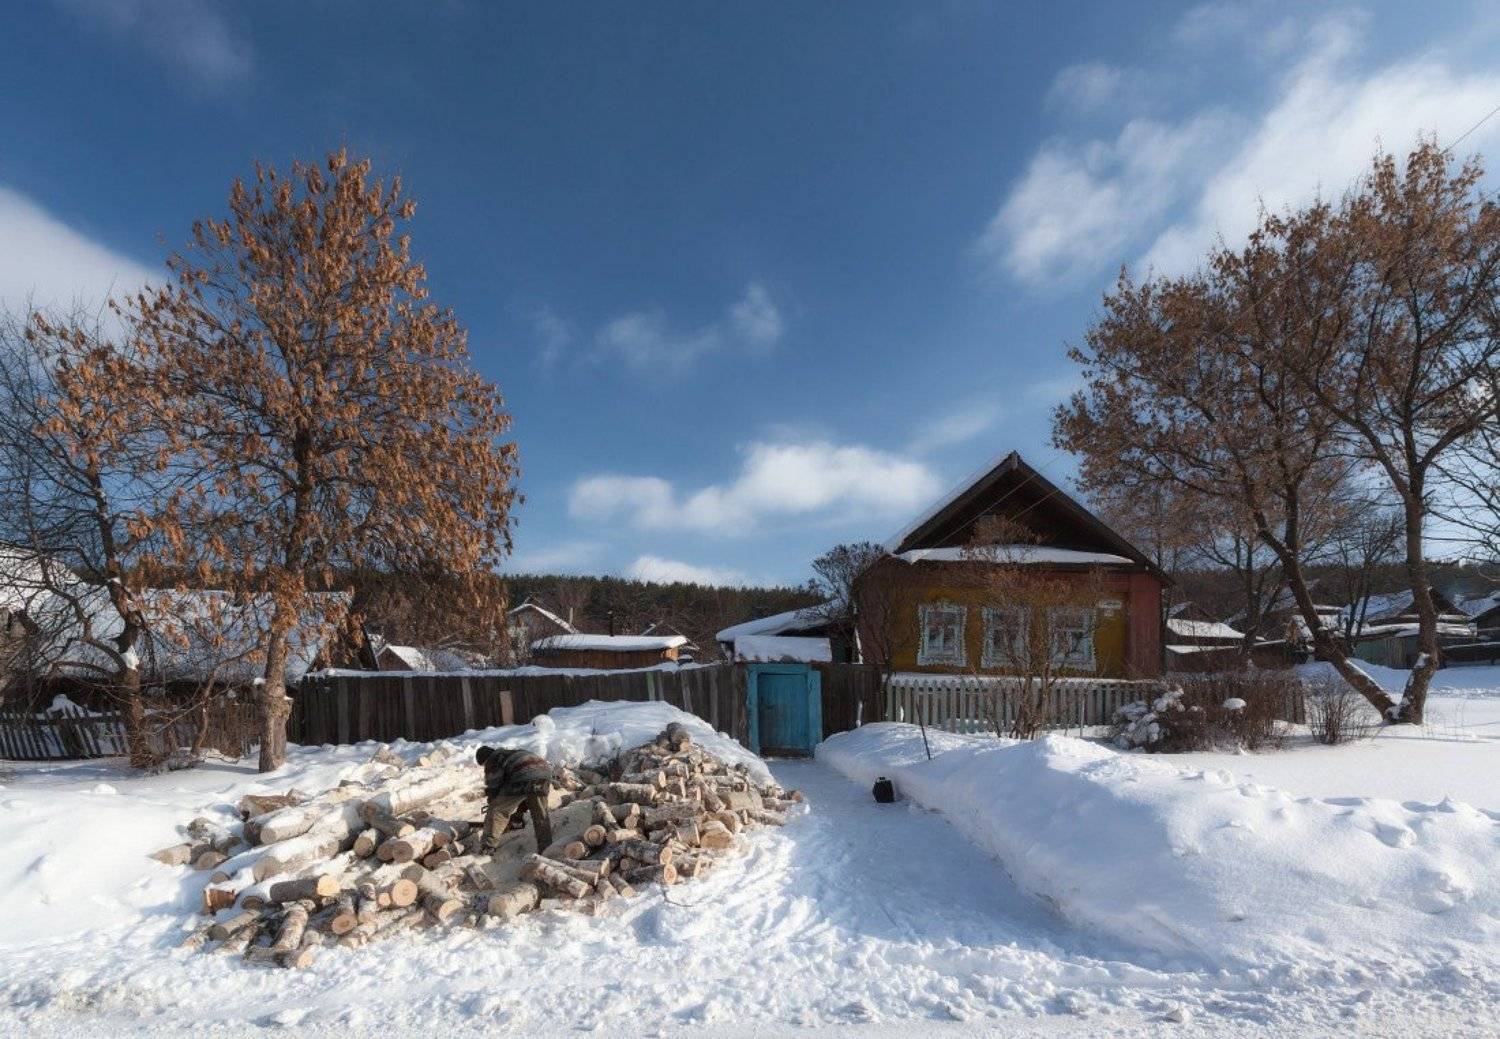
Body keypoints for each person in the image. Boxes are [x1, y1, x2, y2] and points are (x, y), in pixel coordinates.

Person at [474, 744, 555, 851]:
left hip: (523, 775)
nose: (485, 767)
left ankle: (488, 846)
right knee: (540, 814)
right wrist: (520, 810)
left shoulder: (493, 759)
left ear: (484, 760)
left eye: (484, 764)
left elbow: (494, 786)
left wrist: (493, 802)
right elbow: (526, 793)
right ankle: (546, 848)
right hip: (544, 773)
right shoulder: (511, 754)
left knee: (498, 811)